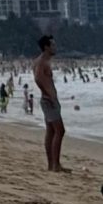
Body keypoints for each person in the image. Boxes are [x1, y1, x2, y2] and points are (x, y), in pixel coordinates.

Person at [33, 34, 64, 172]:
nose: (55, 47)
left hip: (47, 99)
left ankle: (52, 165)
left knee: (51, 131)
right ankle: (54, 164)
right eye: (53, 45)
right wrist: (51, 96)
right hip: (48, 100)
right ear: (46, 47)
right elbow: (39, 79)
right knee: (60, 131)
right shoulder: (41, 62)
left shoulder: (43, 61)